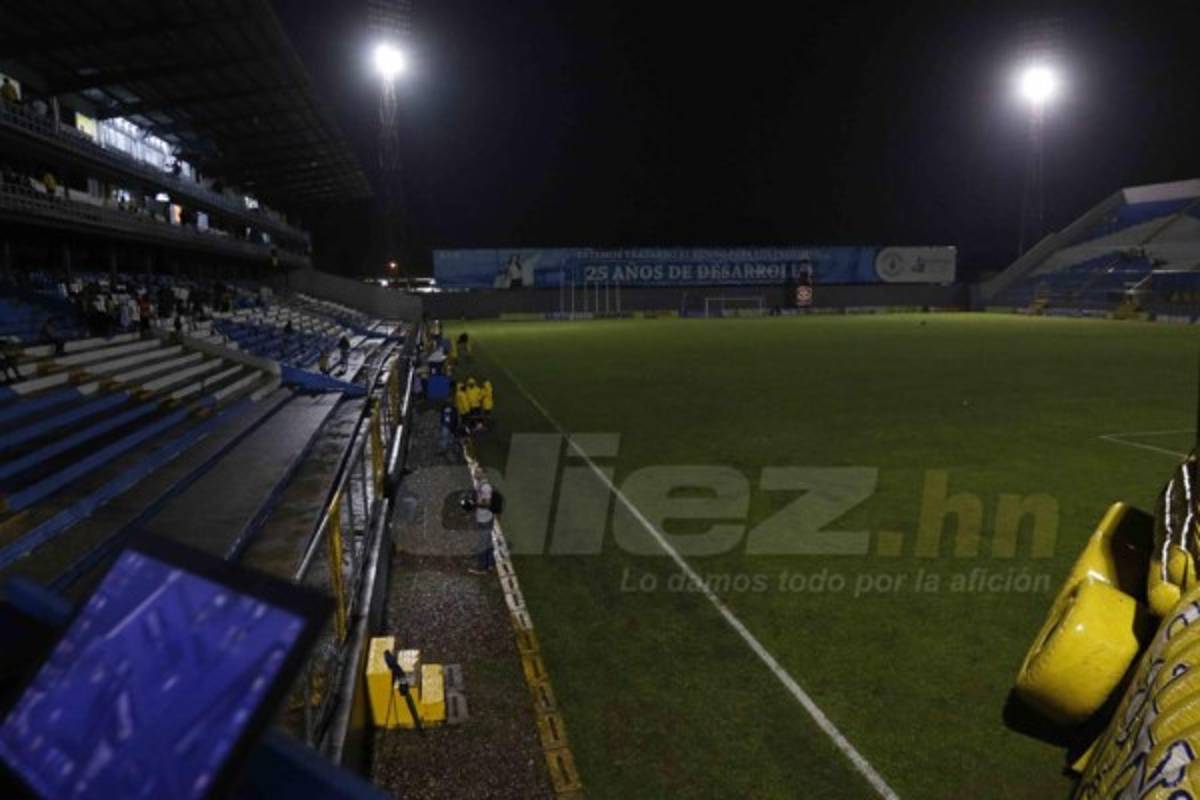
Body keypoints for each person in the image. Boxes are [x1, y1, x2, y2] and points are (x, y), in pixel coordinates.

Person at [468, 471, 500, 575]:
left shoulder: (486, 487)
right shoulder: (480, 484)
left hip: (485, 519)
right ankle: (490, 563)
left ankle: (482, 568)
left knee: (483, 543)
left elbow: (487, 503)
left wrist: (474, 504)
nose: (475, 473)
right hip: (484, 517)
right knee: (487, 541)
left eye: (478, 471)